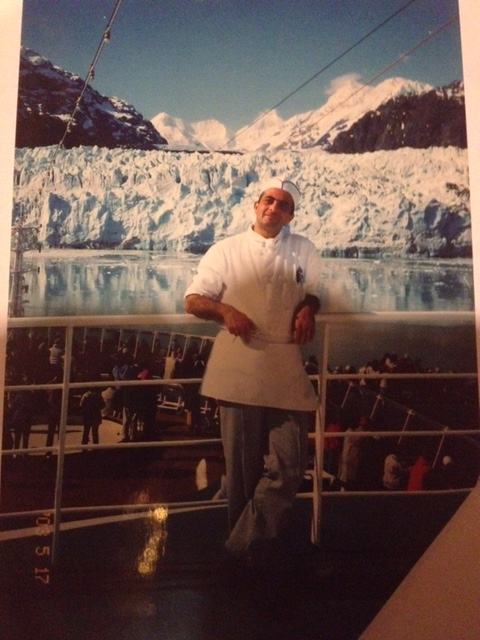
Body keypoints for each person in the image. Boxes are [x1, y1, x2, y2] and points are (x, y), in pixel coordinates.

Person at [184, 177, 321, 564]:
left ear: (291, 215)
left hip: (285, 366)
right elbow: (193, 300)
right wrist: (225, 310)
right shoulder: (225, 250)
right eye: (268, 200)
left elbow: (314, 289)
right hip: (239, 367)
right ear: (256, 205)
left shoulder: (304, 249)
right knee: (241, 474)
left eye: (283, 204)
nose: (273, 208)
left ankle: (236, 551)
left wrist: (309, 307)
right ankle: (249, 559)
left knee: (289, 466)